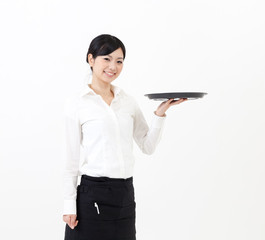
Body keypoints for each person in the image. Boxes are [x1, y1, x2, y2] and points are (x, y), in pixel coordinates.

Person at [62, 34, 187, 240]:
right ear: (91, 59)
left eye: (119, 61)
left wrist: (160, 113)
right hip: (92, 194)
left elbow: (147, 146)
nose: (113, 66)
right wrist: (69, 204)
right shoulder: (77, 103)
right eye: (107, 59)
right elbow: (70, 159)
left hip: (124, 194)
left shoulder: (128, 102)